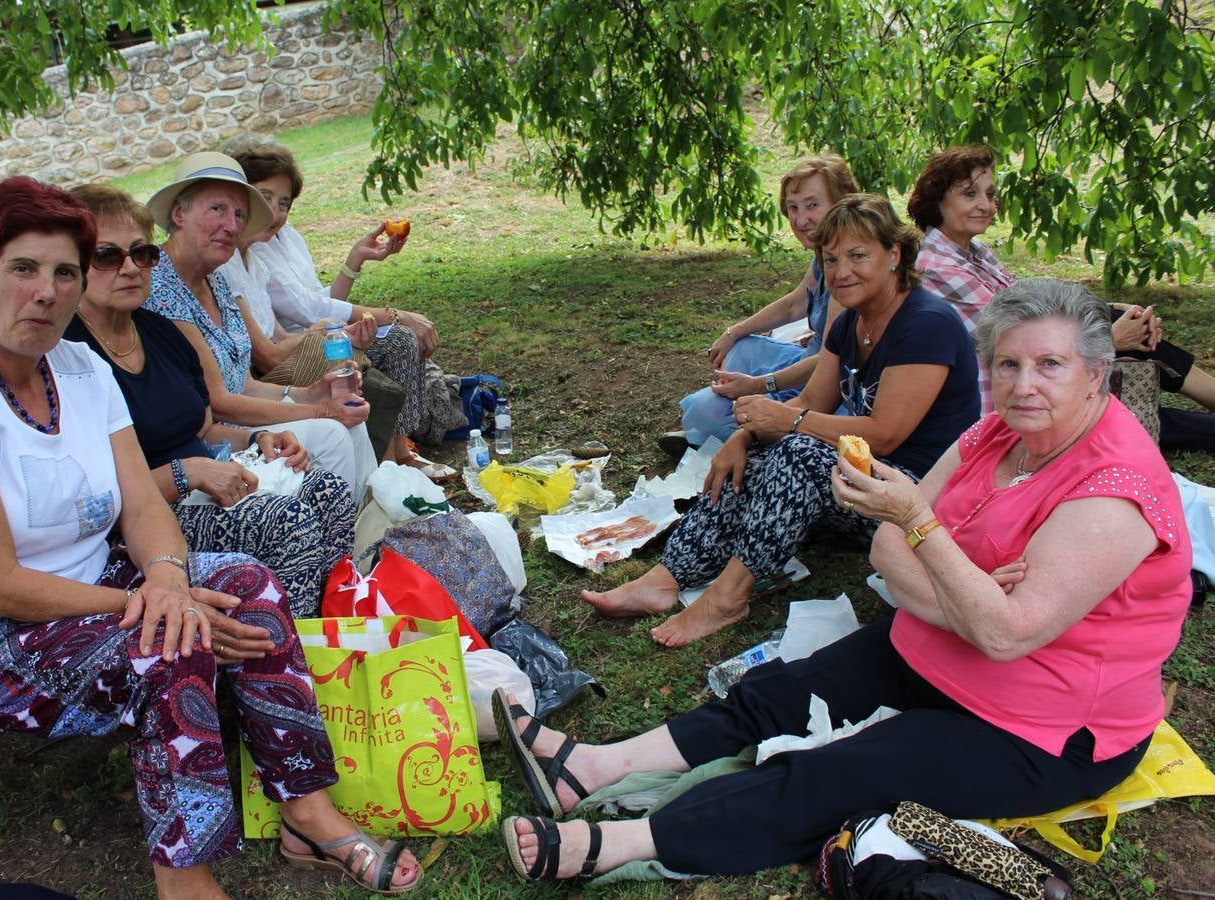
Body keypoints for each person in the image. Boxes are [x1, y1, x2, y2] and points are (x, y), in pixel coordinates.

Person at [495, 278, 1190, 883]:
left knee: (850, 768)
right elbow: (886, 550)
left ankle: (622, 843)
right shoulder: (999, 433)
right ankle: (597, 766)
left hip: (1044, 726)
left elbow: (994, 624)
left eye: (1050, 365)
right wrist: (966, 594)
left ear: (1097, 373)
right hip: (941, 648)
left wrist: (928, 532)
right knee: (776, 692)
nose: (1022, 384)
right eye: (1008, 364)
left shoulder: (1114, 490)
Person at [0, 178, 421, 897]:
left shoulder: (79, 368)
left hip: (95, 583)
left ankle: (306, 811)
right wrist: (158, 606)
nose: (46, 291)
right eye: (23, 269)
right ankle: (185, 879)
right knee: (170, 643)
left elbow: (142, 504)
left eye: (64, 271)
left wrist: (164, 576)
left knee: (250, 584)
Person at [584, 195, 979, 647]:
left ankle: (728, 598)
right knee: (749, 462)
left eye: (858, 255)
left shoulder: (926, 324)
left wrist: (785, 425)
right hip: (865, 481)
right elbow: (814, 400)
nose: (842, 271)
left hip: (921, 501)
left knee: (800, 454)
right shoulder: (850, 322)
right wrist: (746, 437)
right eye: (830, 259)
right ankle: (665, 578)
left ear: (895, 255)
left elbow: (885, 435)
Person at [64, 183, 355, 617]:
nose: (130, 268)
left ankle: (332, 629)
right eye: (107, 256)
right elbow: (93, 494)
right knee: (288, 523)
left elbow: (205, 428)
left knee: (329, 493)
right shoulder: (68, 354)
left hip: (207, 481)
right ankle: (290, 657)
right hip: (146, 519)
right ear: (73, 266)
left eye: (142, 253)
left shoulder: (159, 332)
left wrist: (261, 439)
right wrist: (189, 473)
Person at [910, 144, 1215, 450]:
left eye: (990, 195)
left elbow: (1029, 300)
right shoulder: (937, 266)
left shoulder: (974, 252)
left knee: (1118, 326)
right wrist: (1112, 338)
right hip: (1007, 399)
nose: (985, 206)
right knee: (1135, 414)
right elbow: (1020, 334)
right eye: (969, 194)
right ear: (938, 201)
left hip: (1037, 375)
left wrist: (1111, 310)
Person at [139, 152, 379, 502]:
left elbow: (245, 382)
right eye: (217, 210)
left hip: (245, 430)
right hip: (213, 448)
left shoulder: (214, 282)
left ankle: (371, 533)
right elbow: (219, 402)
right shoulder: (160, 287)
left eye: (239, 215)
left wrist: (307, 393)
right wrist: (318, 410)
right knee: (332, 432)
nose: (232, 226)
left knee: (349, 425)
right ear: (179, 213)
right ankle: (345, 545)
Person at [221, 140, 455, 480]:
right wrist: (382, 316)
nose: (274, 211)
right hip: (283, 362)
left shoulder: (268, 249)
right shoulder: (235, 257)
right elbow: (287, 334)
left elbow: (312, 304)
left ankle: (396, 456)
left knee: (382, 347)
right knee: (378, 350)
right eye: (264, 198)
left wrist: (353, 264)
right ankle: (392, 463)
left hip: (301, 344)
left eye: (283, 202)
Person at [663, 155, 859, 454]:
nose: (800, 219)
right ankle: (725, 434)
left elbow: (828, 364)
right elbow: (795, 302)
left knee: (705, 411)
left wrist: (760, 385)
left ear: (841, 203)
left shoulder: (847, 267)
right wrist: (734, 332)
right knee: (741, 347)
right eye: (793, 207)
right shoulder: (825, 250)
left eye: (812, 205)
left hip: (833, 388)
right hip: (807, 363)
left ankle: (732, 439)